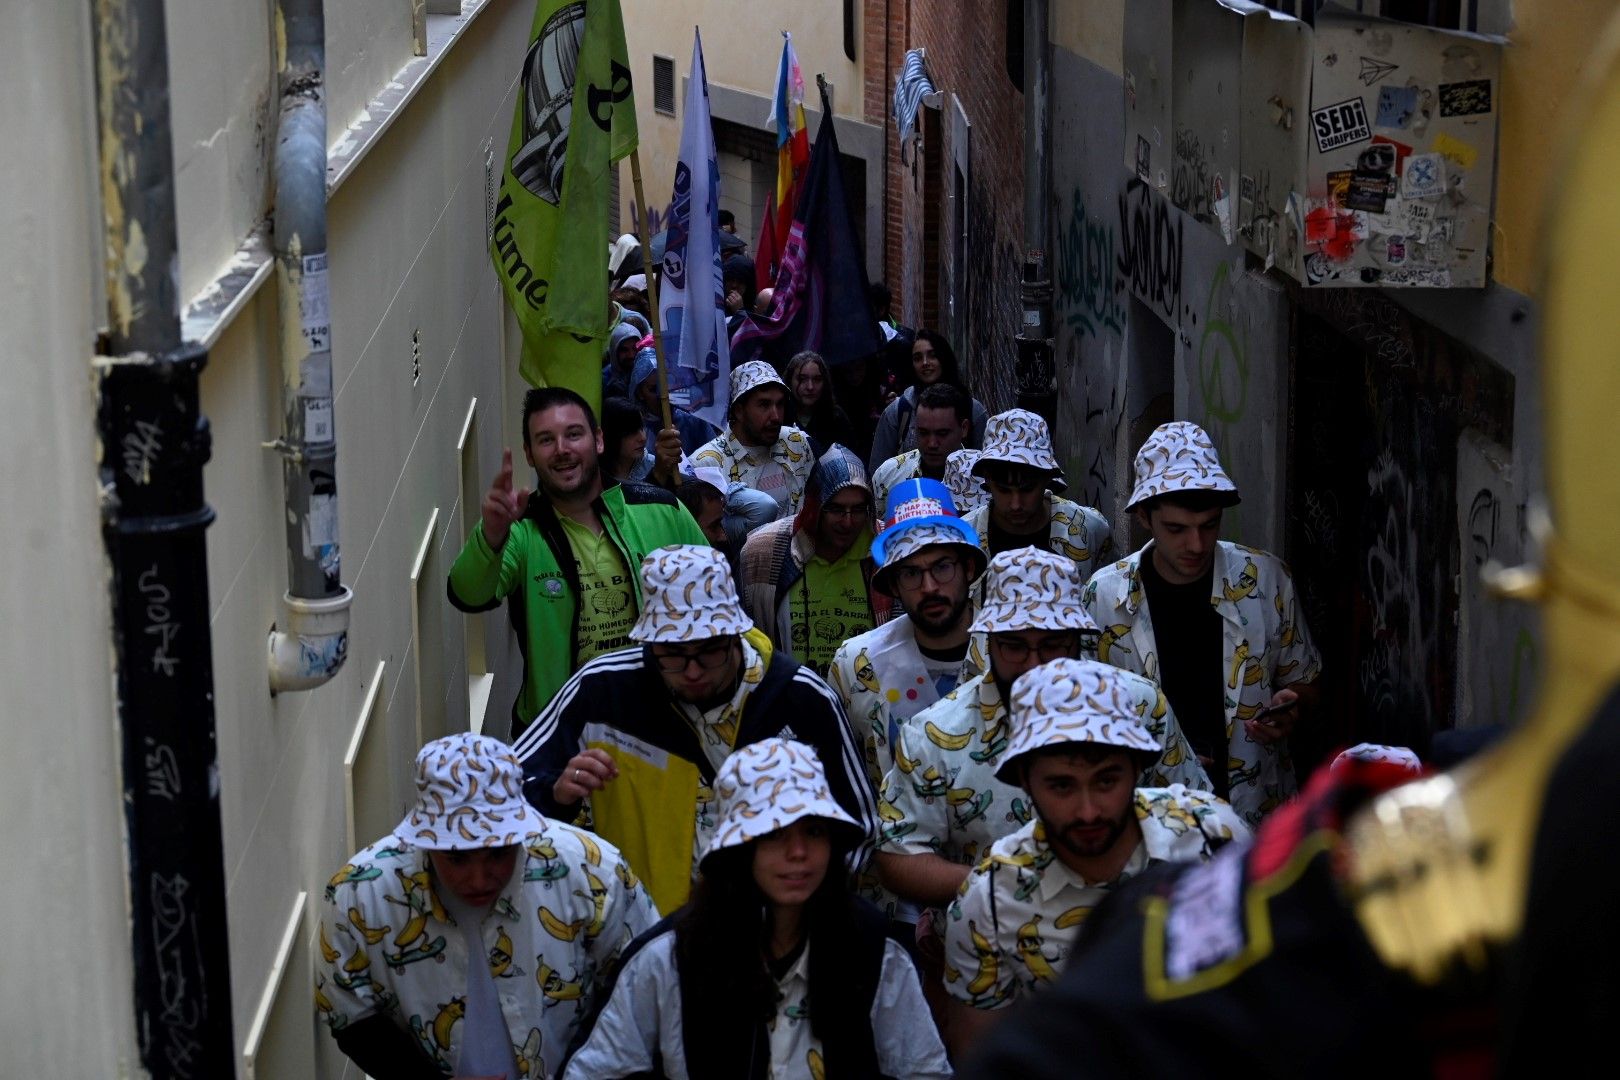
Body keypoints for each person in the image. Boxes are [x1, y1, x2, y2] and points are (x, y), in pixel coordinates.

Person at [511, 544, 879, 915]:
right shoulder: (599, 692)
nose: (691, 671)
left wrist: (794, 923)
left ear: (736, 634)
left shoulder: (802, 700)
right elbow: (506, 794)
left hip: (776, 943)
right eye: (671, 653)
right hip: (638, 935)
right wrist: (555, 794)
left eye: (708, 651)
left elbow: (860, 828)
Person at [560, 738, 951, 1079]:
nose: (798, 853)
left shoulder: (871, 949)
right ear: (738, 849)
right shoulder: (668, 959)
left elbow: (922, 1069)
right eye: (774, 833)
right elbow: (600, 1069)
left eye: (813, 831)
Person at [941, 659, 1248, 1055]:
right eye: (1061, 786)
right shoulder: (988, 903)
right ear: (1024, 781)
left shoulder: (1212, 835)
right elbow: (980, 1055)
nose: (1088, 811)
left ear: (1137, 768)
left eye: (1106, 781)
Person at [876, 548, 1210, 911]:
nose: (1034, 666)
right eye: (1015, 647)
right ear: (989, 641)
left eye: (1052, 645)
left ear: (1076, 638)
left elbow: (1199, 818)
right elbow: (897, 856)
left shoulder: (1141, 707)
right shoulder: (932, 736)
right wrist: (1008, 884)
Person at [317, 734, 657, 1080]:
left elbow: (642, 989)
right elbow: (350, 1015)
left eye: (498, 853)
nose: (479, 880)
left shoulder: (594, 870)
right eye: (457, 858)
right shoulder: (358, 894)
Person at [1082, 421, 1322, 827]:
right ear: (1144, 516)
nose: (1196, 544)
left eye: (1209, 525)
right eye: (1177, 529)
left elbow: (1306, 681)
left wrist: (1290, 710)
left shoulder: (1266, 580)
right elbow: (1082, 716)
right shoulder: (1104, 598)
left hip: (1255, 817)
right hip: (1145, 822)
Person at [446, 388, 708, 737]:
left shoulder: (661, 510)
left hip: (657, 728)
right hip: (558, 739)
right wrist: (490, 537)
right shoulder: (522, 531)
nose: (562, 450)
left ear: (598, 440)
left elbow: (717, 603)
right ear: (528, 453)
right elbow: (467, 594)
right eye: (545, 440)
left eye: (573, 434)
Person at [827, 479, 988, 789]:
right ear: (894, 586)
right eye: (911, 573)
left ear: (968, 568)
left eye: (942, 567)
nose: (929, 588)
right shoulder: (858, 664)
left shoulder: (1010, 651)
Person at [739, 445, 893, 673]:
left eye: (858, 509)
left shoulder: (890, 549)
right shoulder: (763, 552)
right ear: (813, 507)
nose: (848, 522)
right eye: (836, 509)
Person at [961, 408, 1115, 580]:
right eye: (1004, 490)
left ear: (1047, 478)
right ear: (987, 480)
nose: (1016, 504)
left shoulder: (1090, 529)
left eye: (1027, 489)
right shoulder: (962, 538)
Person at [690, 360, 816, 521]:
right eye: (764, 405)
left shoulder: (796, 443)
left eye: (780, 404)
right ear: (739, 411)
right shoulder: (706, 465)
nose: (776, 416)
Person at [867, 329, 988, 471]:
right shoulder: (897, 412)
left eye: (932, 356)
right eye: (917, 358)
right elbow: (878, 472)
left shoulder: (973, 411)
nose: (925, 363)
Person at [871, 383, 974, 511]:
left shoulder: (984, 481)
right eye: (923, 433)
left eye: (942, 434)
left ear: (964, 428)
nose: (932, 443)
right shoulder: (887, 475)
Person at [626, 342, 720, 457]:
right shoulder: (635, 431)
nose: (662, 395)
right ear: (640, 393)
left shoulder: (693, 420)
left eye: (666, 386)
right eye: (654, 389)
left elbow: (717, 455)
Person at [784, 349, 857, 454]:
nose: (810, 387)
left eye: (817, 379)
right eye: (802, 379)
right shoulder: (779, 416)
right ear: (790, 381)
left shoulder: (836, 418)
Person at [601, 321, 644, 401]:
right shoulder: (604, 381)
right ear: (614, 352)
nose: (631, 355)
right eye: (624, 350)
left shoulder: (649, 375)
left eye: (635, 349)